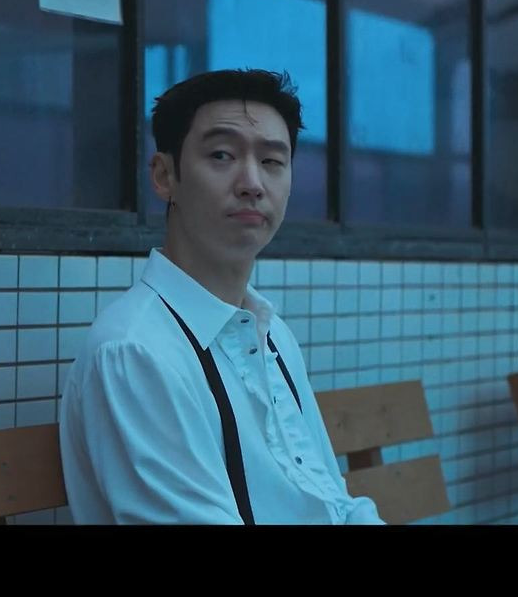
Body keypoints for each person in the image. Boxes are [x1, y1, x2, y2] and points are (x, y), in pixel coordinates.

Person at [59, 69, 383, 524]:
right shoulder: (135, 353)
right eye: (222, 155)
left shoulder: (271, 333)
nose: (252, 183)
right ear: (165, 176)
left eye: (272, 161)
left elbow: (334, 502)